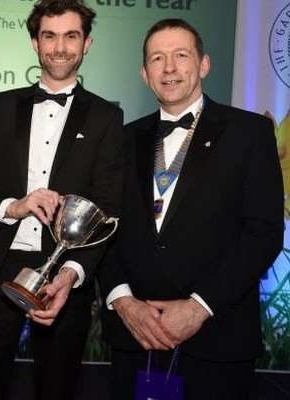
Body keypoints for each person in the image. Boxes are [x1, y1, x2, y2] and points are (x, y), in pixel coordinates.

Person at [99, 18, 284, 400]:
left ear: (204, 64)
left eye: (181, 55)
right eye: (157, 58)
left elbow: (263, 233)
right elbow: (103, 227)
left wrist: (199, 307)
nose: (169, 68)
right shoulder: (121, 139)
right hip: (135, 337)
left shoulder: (250, 133)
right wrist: (124, 302)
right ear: (144, 74)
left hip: (217, 339)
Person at [0, 0, 124, 398]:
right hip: (0, 269)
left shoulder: (106, 117)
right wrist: (12, 207)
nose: (60, 47)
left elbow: (107, 208)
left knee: (57, 388)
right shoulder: (1, 106)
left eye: (71, 36)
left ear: (87, 44)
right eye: (49, 36)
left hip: (64, 275)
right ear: (35, 43)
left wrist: (70, 275)